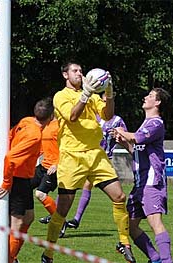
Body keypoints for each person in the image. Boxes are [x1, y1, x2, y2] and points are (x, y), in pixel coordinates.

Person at [40, 61, 135, 263]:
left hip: (95, 154)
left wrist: (109, 92)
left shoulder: (92, 96)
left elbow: (108, 115)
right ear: (65, 75)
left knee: (119, 196)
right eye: (75, 71)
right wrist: (85, 94)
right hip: (72, 156)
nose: (79, 74)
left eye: (81, 71)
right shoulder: (61, 96)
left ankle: (123, 242)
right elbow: (72, 116)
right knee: (63, 208)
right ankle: (48, 253)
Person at [112, 88, 173, 263]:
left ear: (158, 102)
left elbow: (137, 138)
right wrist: (124, 143)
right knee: (131, 226)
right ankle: (155, 258)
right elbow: (137, 150)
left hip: (152, 182)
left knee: (155, 223)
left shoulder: (156, 123)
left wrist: (121, 131)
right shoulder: (146, 124)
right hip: (140, 183)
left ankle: (167, 261)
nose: (145, 97)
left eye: (150, 96)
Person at [58, 93, 128, 238]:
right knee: (68, 190)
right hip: (81, 155)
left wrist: (123, 139)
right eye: (102, 99)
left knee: (90, 187)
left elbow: (124, 137)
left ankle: (75, 219)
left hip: (101, 159)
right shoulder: (93, 116)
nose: (103, 102)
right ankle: (61, 220)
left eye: (106, 100)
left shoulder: (117, 120)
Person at [0, 98, 53, 263]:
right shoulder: (34, 135)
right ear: (51, 117)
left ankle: (11, 257)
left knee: (28, 217)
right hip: (17, 179)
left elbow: (10, 134)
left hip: (25, 178)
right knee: (17, 222)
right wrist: (7, 183)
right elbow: (10, 157)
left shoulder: (26, 121)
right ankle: (8, 259)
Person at [31, 117, 60, 220]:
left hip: (54, 169)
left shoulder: (60, 126)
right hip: (43, 166)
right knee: (22, 186)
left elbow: (67, 149)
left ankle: (60, 222)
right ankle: (25, 216)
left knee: (40, 194)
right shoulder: (44, 125)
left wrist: (56, 164)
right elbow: (42, 147)